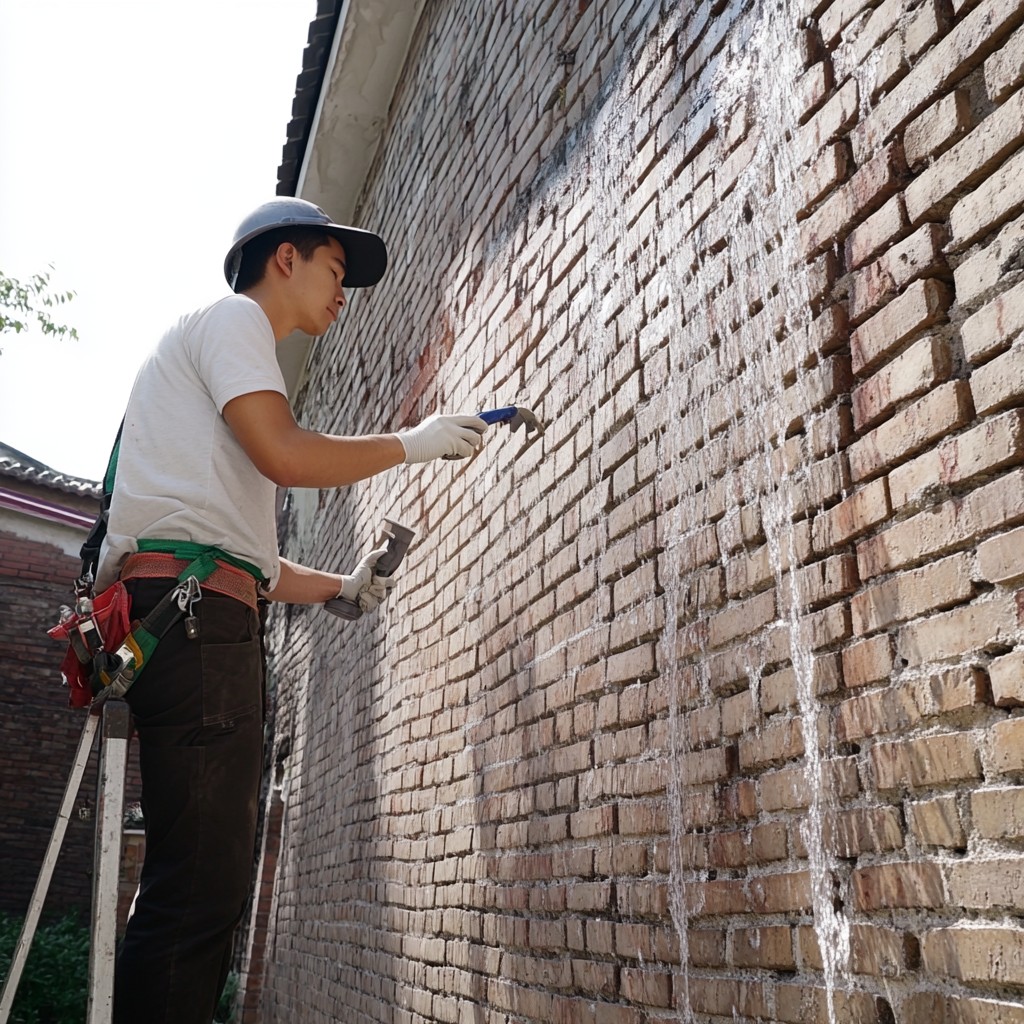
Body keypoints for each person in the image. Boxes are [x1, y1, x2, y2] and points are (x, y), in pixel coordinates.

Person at [95, 198, 488, 1024]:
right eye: (336, 271)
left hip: (189, 615)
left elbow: (248, 563)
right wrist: (410, 443)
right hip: (194, 625)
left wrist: (342, 588)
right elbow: (284, 452)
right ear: (284, 259)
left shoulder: (214, 363)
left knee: (193, 888)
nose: (344, 295)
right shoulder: (237, 322)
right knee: (197, 894)